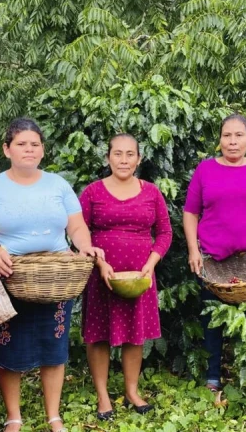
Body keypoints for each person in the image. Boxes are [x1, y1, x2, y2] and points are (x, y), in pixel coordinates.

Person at [0, 117, 103, 432]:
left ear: (42, 150)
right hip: (10, 275)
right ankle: (13, 416)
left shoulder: (57, 184)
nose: (28, 150)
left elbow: (76, 226)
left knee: (53, 345)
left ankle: (53, 415)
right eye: (21, 144)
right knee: (7, 346)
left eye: (34, 144)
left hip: (55, 277)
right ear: (7, 149)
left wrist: (85, 246)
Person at [183, 113, 246, 392]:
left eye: (239, 135)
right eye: (227, 135)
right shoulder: (205, 170)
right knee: (211, 318)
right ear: (219, 140)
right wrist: (193, 250)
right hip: (213, 259)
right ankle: (213, 376)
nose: (233, 141)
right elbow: (190, 212)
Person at [79, 133, 173, 419]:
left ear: (138, 159)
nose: (123, 159)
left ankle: (132, 390)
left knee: (136, 334)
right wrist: (97, 260)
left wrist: (152, 262)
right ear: (108, 157)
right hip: (101, 274)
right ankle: (103, 395)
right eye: (117, 153)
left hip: (140, 275)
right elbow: (79, 233)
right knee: (98, 335)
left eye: (129, 154)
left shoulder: (151, 192)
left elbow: (165, 232)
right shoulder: (92, 192)